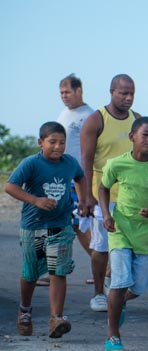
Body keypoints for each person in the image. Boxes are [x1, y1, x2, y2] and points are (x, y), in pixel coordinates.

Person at [99, 117, 148, 351]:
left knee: (138, 287)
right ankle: (113, 336)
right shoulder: (117, 164)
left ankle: (118, 301)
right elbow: (103, 187)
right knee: (121, 282)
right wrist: (106, 214)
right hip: (120, 229)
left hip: (146, 235)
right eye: (146, 135)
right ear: (132, 136)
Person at [6, 122, 85, 338]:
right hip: (34, 227)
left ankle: (56, 318)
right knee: (31, 273)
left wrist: (84, 199)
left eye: (62, 142)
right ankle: (25, 310)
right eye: (52, 142)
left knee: (58, 271)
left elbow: (80, 177)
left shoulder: (69, 162)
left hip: (61, 224)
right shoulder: (31, 163)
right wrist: (36, 200)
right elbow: (10, 186)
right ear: (40, 142)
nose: (58, 147)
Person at [81, 74, 140, 312]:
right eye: (123, 93)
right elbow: (85, 160)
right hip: (104, 196)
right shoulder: (96, 120)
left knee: (129, 247)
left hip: (132, 197)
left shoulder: (138, 120)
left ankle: (113, 284)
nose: (128, 98)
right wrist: (86, 195)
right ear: (111, 92)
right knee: (102, 247)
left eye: (131, 94)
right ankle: (97, 293)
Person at [57, 74, 94, 268]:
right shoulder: (63, 114)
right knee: (65, 223)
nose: (64, 96)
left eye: (67, 92)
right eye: (61, 93)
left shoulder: (89, 115)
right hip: (62, 177)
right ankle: (55, 268)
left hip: (79, 178)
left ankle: (103, 267)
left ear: (78, 91)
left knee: (81, 223)